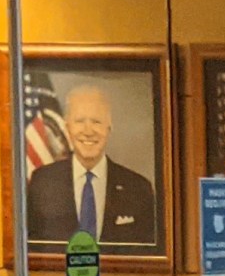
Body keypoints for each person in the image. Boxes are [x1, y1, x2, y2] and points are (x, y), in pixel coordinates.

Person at [27, 85, 160, 250]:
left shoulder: (138, 188)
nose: (88, 131)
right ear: (67, 127)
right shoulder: (42, 183)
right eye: (80, 121)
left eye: (96, 122)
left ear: (109, 126)